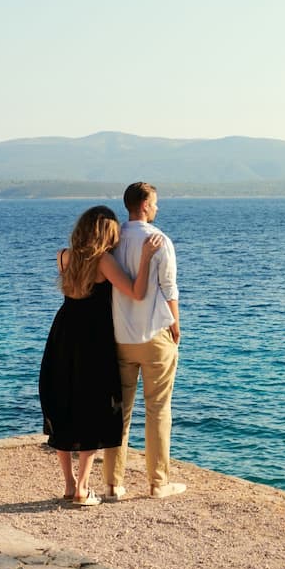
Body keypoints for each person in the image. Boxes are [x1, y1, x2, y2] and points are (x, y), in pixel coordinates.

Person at [39, 205, 162, 506]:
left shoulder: (63, 257)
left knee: (65, 405)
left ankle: (69, 486)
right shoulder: (103, 261)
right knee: (92, 408)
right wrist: (145, 258)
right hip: (92, 340)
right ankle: (82, 488)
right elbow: (136, 291)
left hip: (63, 335)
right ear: (105, 232)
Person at [102, 181, 187, 499]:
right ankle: (157, 482)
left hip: (121, 337)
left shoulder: (112, 240)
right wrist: (176, 324)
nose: (158, 208)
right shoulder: (159, 240)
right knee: (159, 409)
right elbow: (169, 288)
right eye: (155, 203)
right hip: (154, 335)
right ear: (145, 205)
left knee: (120, 411)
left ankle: (113, 483)